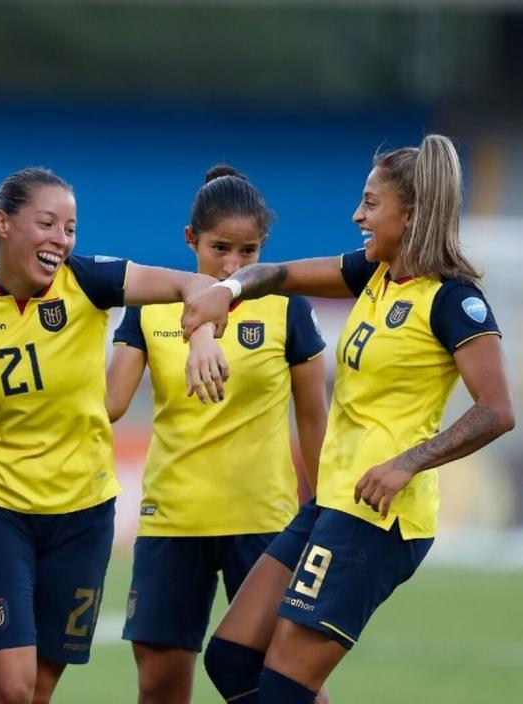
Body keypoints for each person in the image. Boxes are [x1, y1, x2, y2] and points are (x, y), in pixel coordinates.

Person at [0, 167, 230, 704]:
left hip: (81, 514)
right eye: (48, 223)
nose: (61, 239)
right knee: (12, 688)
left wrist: (200, 338)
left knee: (35, 691)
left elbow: (196, 284)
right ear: (4, 224)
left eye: (70, 228)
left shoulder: (88, 280)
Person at [184, 135, 515, 704]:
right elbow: (281, 275)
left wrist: (407, 463)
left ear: (408, 214)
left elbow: (497, 410)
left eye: (370, 203)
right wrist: (230, 289)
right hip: (333, 502)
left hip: (377, 517)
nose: (357, 215)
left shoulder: (453, 301)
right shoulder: (375, 274)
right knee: (233, 657)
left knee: (286, 683)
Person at [105, 166, 328, 704]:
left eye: (248, 251)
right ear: (190, 240)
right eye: (219, 248)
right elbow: (109, 405)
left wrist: (324, 508)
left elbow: (314, 415)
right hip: (173, 518)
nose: (233, 266)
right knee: (159, 686)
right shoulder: (151, 306)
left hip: (264, 522)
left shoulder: (287, 308)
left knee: (273, 682)